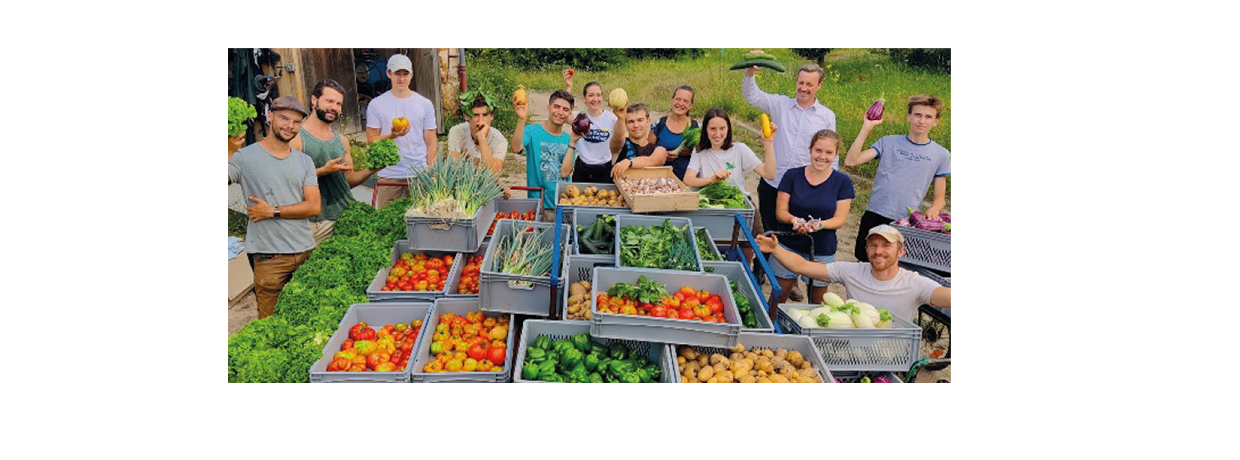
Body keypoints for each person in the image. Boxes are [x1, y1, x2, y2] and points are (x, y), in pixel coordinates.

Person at [742, 62, 836, 300]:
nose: (803, 88)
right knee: (771, 230)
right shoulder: (780, 104)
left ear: (819, 86)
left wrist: (829, 186)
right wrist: (750, 72)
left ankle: (790, 278)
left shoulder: (826, 116)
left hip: (804, 187)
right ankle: (765, 272)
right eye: (801, 82)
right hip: (774, 182)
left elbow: (830, 151)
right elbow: (751, 95)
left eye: (809, 84)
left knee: (795, 234)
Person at [226, 96, 321, 320]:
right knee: (270, 322)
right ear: (270, 116)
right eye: (284, 118)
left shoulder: (304, 161)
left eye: (296, 122)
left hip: (305, 250)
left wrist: (272, 211)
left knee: (307, 318)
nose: (290, 126)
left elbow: (314, 205)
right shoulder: (244, 157)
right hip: (269, 257)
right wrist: (227, 148)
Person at [755, 225, 950, 323]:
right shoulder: (852, 271)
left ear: (900, 251)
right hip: (851, 345)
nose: (878, 251)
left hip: (892, 351)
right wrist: (775, 249)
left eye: (886, 246)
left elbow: (945, 296)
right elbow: (802, 266)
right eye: (873, 245)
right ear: (866, 249)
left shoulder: (914, 282)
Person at [843, 94, 950, 262]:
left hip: (904, 222)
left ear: (936, 121)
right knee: (864, 264)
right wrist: (867, 127)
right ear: (909, 116)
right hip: (875, 214)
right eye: (917, 115)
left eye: (928, 116)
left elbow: (939, 198)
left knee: (891, 270)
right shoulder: (888, 142)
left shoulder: (941, 154)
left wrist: (934, 210)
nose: (922, 121)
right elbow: (851, 161)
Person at [762, 129, 854, 305]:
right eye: (818, 150)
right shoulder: (792, 175)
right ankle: (771, 327)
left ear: (836, 155)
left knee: (817, 302)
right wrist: (794, 220)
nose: (822, 156)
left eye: (829, 152)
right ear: (810, 150)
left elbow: (839, 219)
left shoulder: (842, 182)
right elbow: (781, 212)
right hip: (789, 244)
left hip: (821, 248)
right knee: (778, 297)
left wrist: (818, 225)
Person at [682, 107, 780, 267]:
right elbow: (688, 179)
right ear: (705, 130)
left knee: (751, 240)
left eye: (722, 128)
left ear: (728, 129)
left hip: (740, 203)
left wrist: (768, 143)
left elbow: (769, 173)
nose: (717, 134)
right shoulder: (700, 151)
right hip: (710, 204)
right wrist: (712, 179)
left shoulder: (739, 149)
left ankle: (748, 270)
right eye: (712, 129)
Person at [291, 79, 385, 244]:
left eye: (338, 104)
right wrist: (321, 172)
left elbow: (348, 180)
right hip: (316, 223)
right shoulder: (297, 138)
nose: (334, 107)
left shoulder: (342, 140)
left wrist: (373, 169)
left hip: (345, 216)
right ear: (314, 100)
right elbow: (286, 184)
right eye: (329, 101)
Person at [365, 53, 438, 209]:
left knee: (420, 220)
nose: (401, 78)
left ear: (411, 75)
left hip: (418, 173)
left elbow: (431, 141)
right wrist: (392, 135)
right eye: (397, 73)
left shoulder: (424, 104)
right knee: (386, 222)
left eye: (405, 74)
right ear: (388, 74)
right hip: (389, 174)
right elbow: (371, 140)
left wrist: (430, 171)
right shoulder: (377, 104)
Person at [512, 89, 575, 220]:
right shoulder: (532, 131)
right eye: (556, 107)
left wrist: (573, 142)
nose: (560, 112)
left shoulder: (569, 140)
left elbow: (566, 173)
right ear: (548, 107)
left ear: (569, 114)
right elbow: (515, 148)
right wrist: (522, 119)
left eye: (565, 109)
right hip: (538, 204)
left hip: (561, 204)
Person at [563, 81, 626, 183]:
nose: (595, 99)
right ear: (584, 98)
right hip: (582, 168)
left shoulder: (612, 118)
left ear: (602, 98)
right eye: (591, 95)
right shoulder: (578, 117)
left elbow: (620, 140)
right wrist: (568, 87)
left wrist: (621, 118)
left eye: (598, 95)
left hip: (605, 169)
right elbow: (564, 112)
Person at [447, 92, 508, 175]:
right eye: (476, 115)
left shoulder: (499, 140)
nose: (480, 120)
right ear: (466, 116)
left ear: (492, 116)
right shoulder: (457, 132)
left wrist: (482, 138)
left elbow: (494, 174)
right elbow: (452, 167)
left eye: (485, 115)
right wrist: (481, 163)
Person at [649, 85, 699, 181]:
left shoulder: (696, 127)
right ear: (672, 100)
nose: (680, 103)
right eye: (678, 99)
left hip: (685, 180)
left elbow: (703, 153)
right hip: (659, 180)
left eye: (686, 101)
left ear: (691, 105)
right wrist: (661, 154)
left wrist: (691, 152)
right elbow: (647, 148)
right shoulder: (659, 124)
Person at [610, 103, 670, 178]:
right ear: (625, 125)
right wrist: (620, 119)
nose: (636, 125)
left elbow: (652, 161)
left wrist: (629, 162)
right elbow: (617, 138)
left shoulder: (659, 150)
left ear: (648, 121)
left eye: (640, 120)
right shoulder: (620, 146)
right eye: (631, 122)